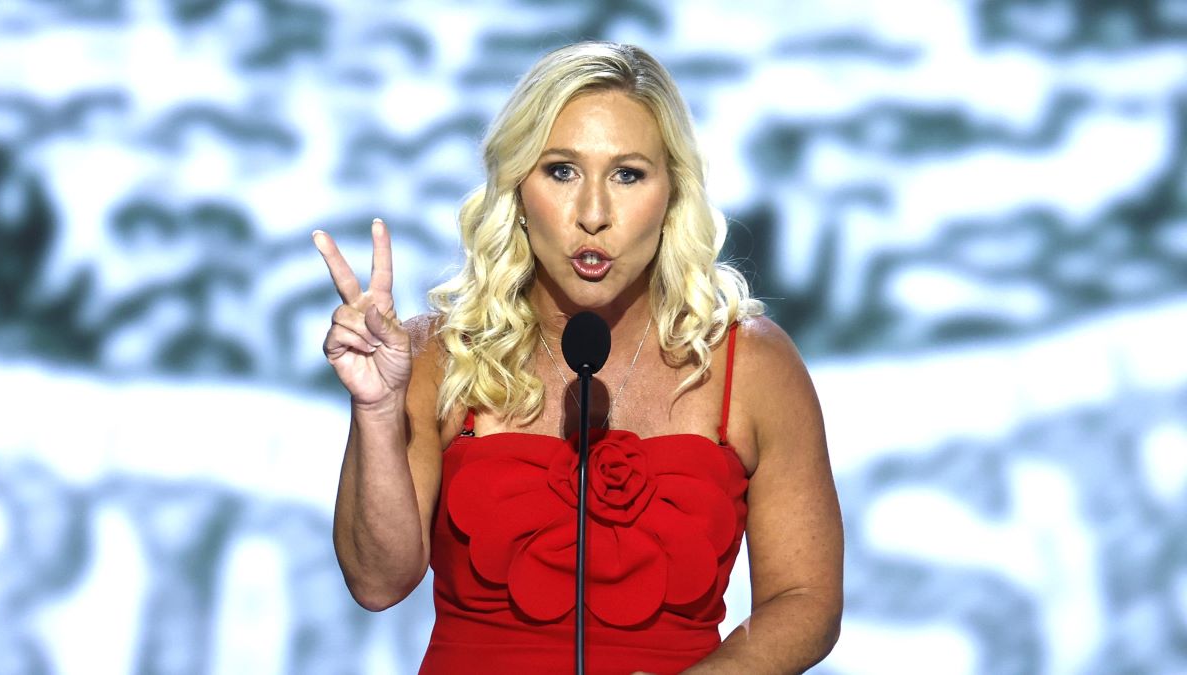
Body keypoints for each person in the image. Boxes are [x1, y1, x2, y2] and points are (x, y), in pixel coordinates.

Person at [312, 41, 843, 675]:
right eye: (562, 170)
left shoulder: (752, 364)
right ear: (517, 188)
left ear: (673, 192)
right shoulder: (440, 355)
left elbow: (805, 599)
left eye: (628, 174)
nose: (593, 214)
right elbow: (377, 583)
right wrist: (375, 410)